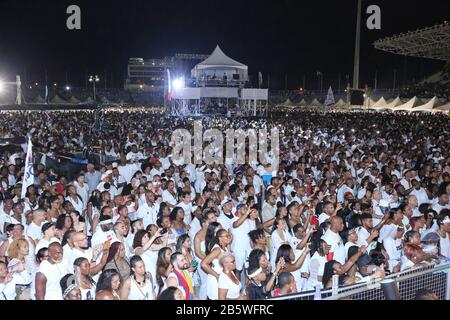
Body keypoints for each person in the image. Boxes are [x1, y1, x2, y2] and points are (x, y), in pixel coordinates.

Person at [201, 228, 231, 300]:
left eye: (229, 235)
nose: (229, 237)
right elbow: (203, 264)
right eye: (226, 236)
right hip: (216, 278)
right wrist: (217, 276)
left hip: (223, 277)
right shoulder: (217, 250)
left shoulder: (225, 248)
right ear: (220, 238)